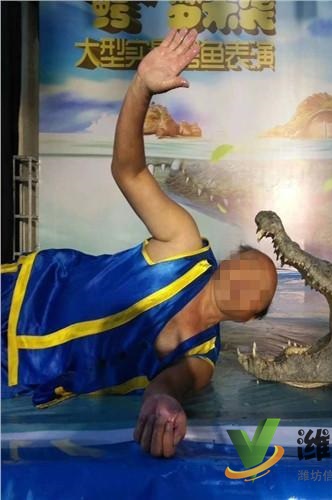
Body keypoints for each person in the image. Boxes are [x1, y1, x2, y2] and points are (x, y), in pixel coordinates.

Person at [0, 28, 277, 458]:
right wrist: (141, 88)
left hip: (28, 373)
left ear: (252, 316)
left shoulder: (202, 358)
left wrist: (161, 403)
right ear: (225, 263)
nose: (247, 284)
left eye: (260, 291)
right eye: (248, 267)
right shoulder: (184, 243)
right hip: (23, 295)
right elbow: (129, 171)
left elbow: (169, 386)